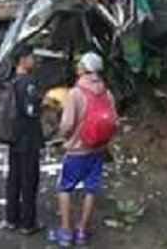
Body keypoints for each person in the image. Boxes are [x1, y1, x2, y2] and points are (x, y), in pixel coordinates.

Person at [49, 52, 118, 247]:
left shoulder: (76, 93)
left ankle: (65, 231)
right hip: (97, 149)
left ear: (84, 68)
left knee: (64, 188)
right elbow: (115, 121)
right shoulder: (107, 92)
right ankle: (81, 230)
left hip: (77, 150)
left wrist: (64, 138)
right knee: (91, 189)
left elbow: (67, 124)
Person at [0, 45, 44, 236]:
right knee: (29, 180)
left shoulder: (10, 81)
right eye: (31, 56)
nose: (34, 60)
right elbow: (31, 111)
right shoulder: (28, 83)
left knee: (14, 179)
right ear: (22, 59)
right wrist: (41, 104)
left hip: (12, 137)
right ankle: (28, 222)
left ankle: (11, 218)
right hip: (28, 139)